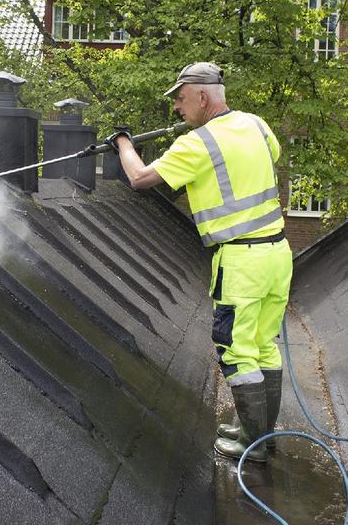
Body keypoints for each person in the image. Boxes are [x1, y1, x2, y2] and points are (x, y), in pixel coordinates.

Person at [106, 62, 292, 463]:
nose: (176, 106)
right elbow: (265, 158)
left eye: (181, 97)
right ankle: (258, 433)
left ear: (203, 96)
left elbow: (139, 179)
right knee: (263, 346)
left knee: (236, 350)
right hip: (277, 253)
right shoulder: (257, 125)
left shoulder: (198, 144)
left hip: (241, 260)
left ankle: (252, 446)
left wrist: (122, 142)